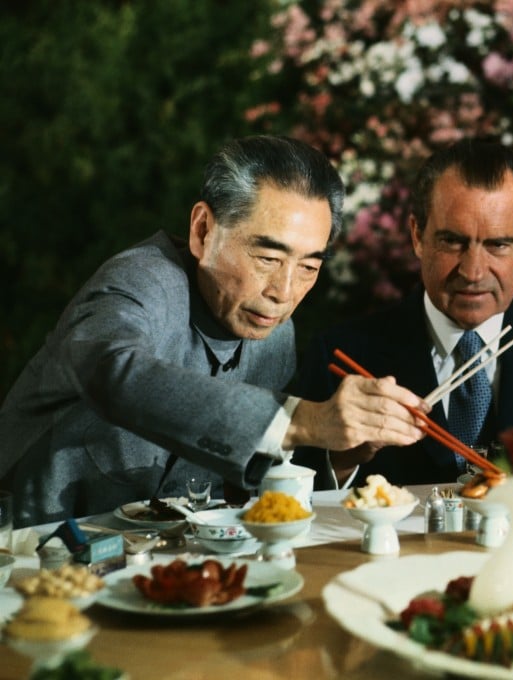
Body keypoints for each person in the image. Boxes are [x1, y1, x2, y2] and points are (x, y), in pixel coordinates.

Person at [0, 135, 428, 527]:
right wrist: (300, 419)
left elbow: (246, 491)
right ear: (203, 231)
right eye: (266, 258)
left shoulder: (275, 335)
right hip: (28, 544)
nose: (283, 292)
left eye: (309, 267)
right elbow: (112, 370)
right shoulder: (140, 280)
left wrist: (340, 454)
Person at [293, 137, 513, 488]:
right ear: (418, 236)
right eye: (452, 241)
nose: (473, 271)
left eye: (498, 245)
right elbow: (293, 493)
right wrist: (342, 460)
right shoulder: (342, 352)